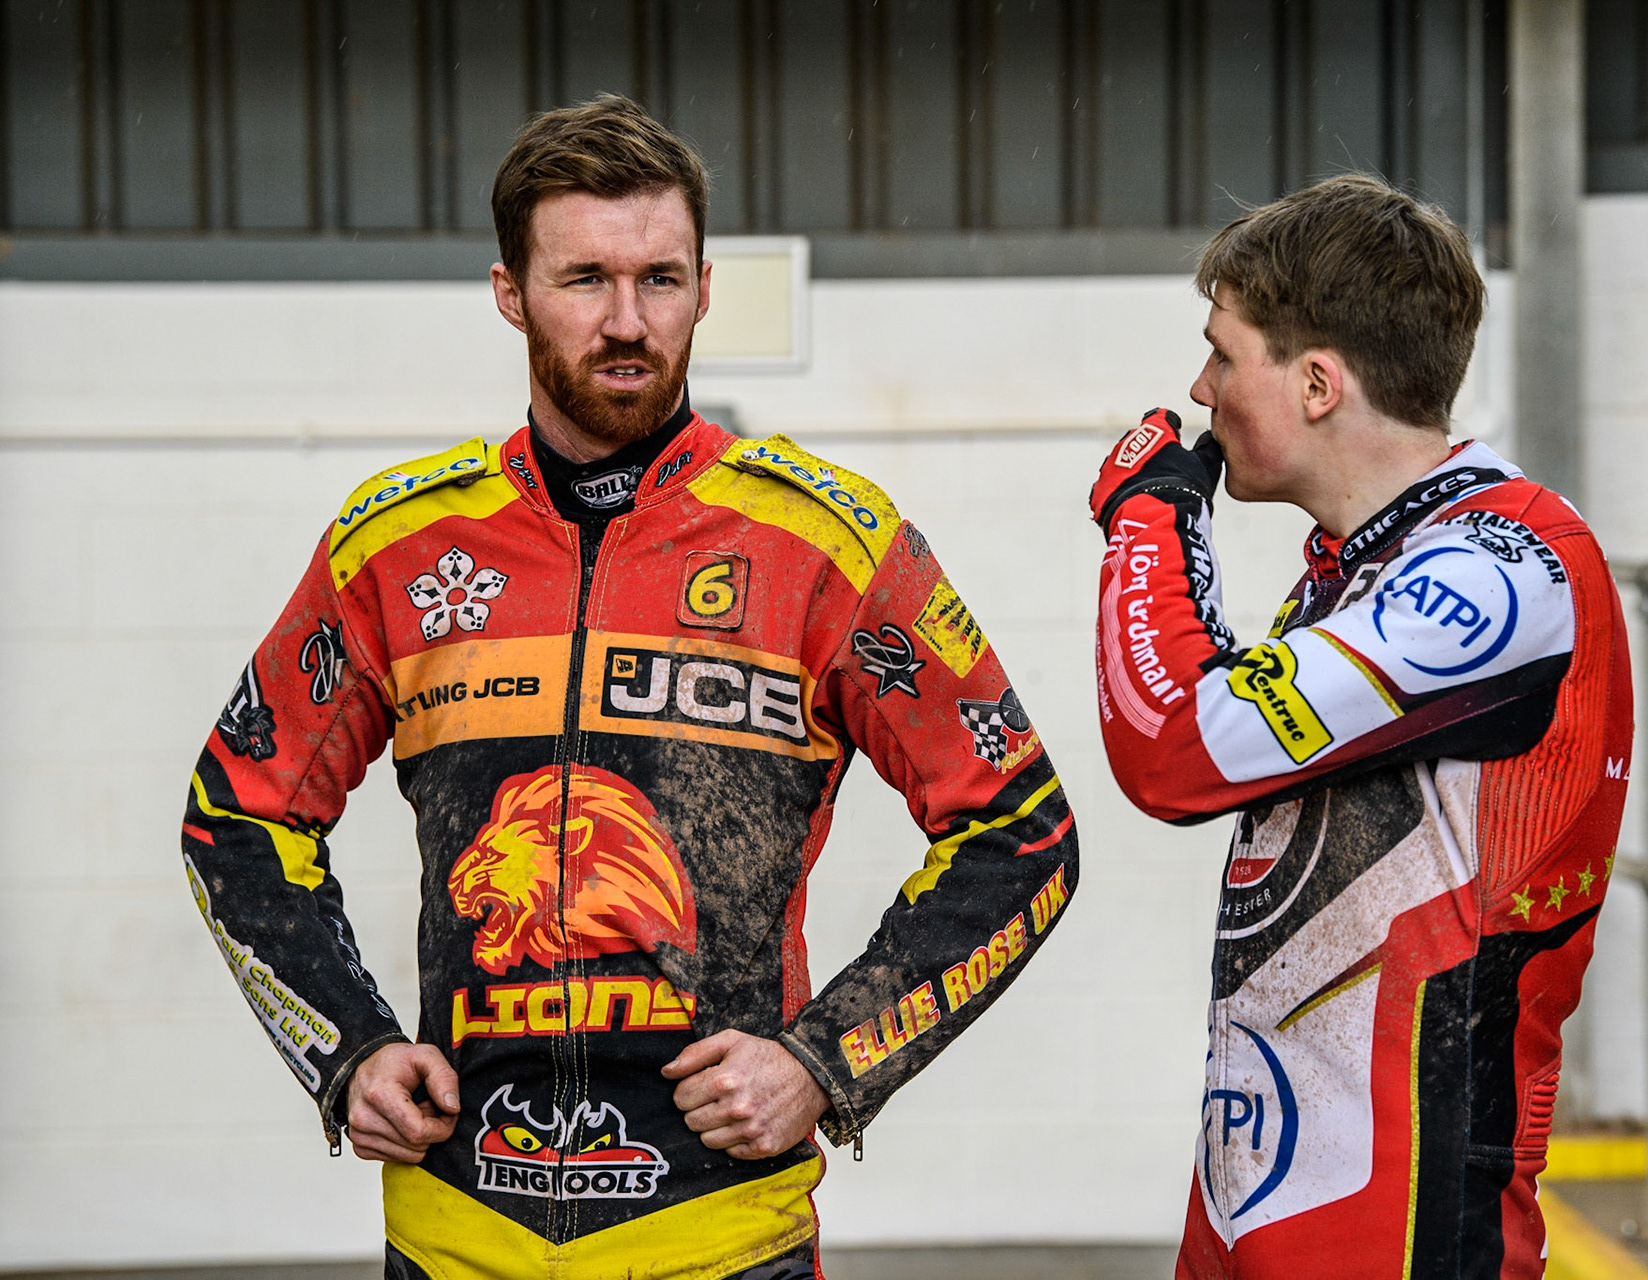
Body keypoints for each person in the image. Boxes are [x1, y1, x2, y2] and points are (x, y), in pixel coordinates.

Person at [182, 95, 1077, 1280]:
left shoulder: (832, 546)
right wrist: (344, 1050)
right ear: (510, 292)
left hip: (722, 1239)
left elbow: (1022, 833)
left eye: (660, 278)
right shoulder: (392, 545)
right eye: (583, 279)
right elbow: (234, 817)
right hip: (456, 1240)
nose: (626, 322)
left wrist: (825, 1059)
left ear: (705, 287)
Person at [1087, 174, 1631, 1279]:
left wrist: (1149, 522)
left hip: (1401, 1212)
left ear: (1320, 384)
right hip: (1260, 1188)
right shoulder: (1373, 564)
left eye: (1224, 354)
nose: (1200, 387)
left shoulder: (1502, 567)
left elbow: (1178, 747)